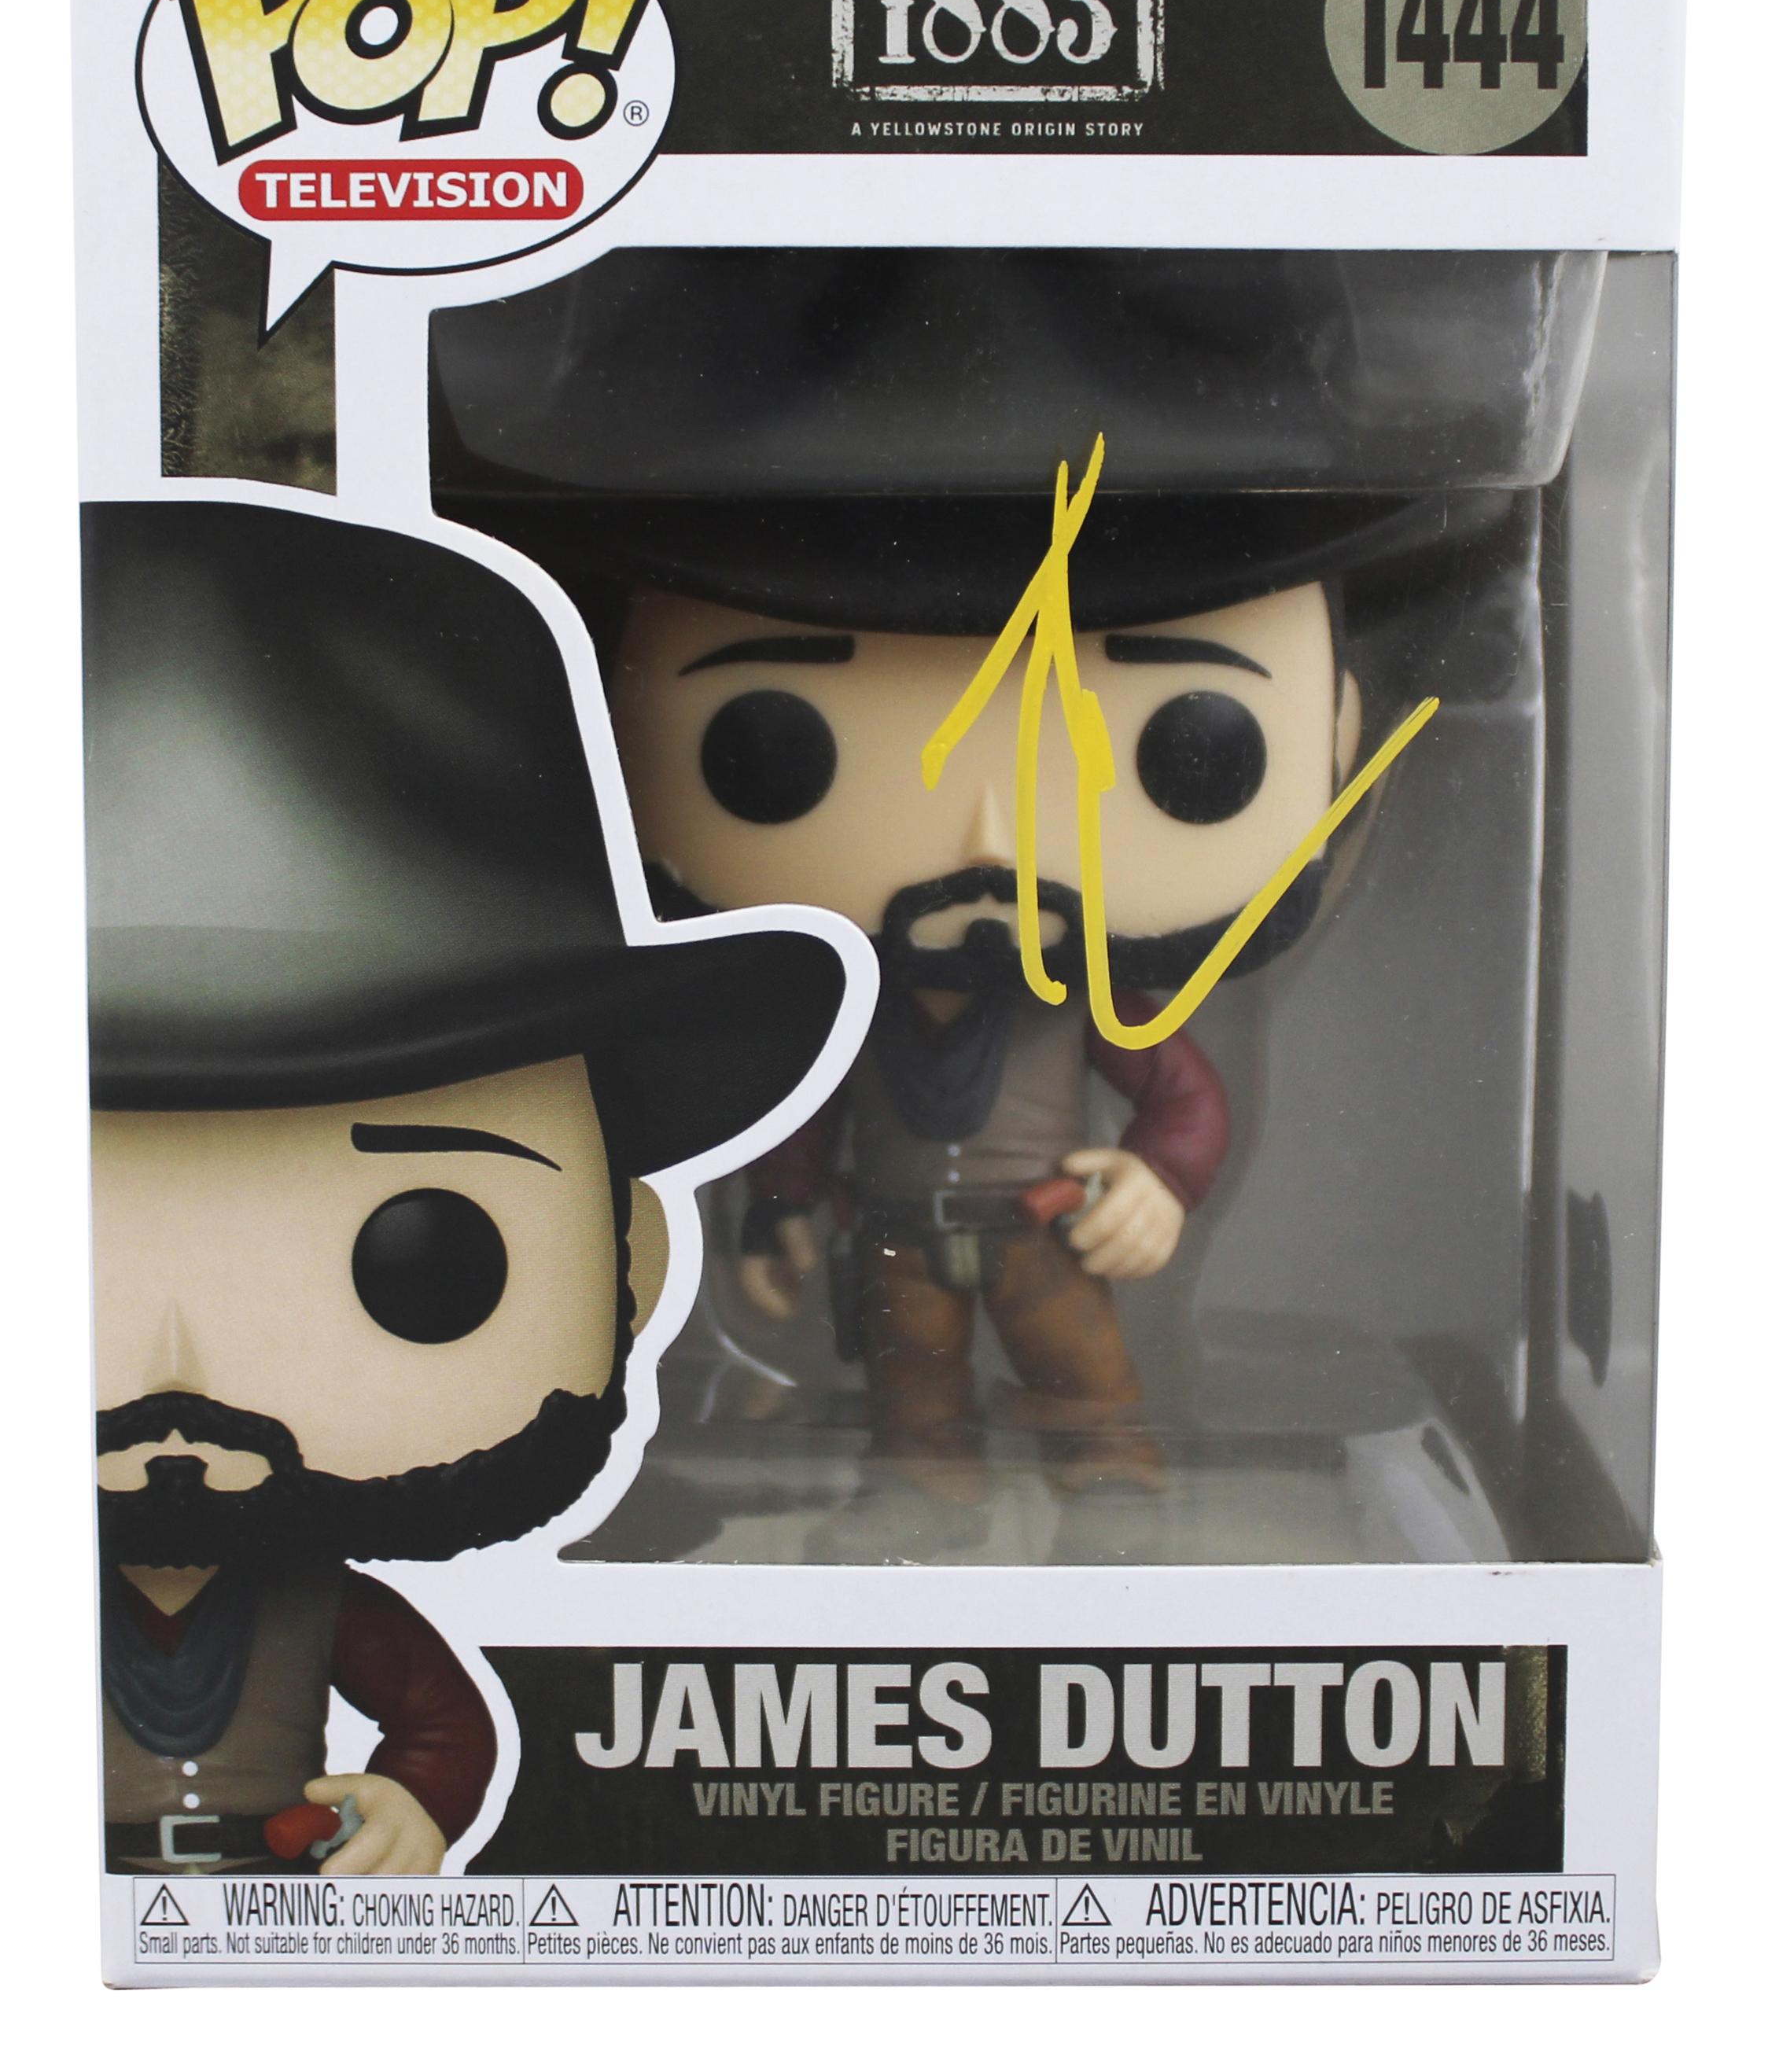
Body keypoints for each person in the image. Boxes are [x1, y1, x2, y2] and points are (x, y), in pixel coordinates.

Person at [432, 247, 1512, 1538]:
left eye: (1192, 745)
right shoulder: (852, 1008)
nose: (987, 836)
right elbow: (799, 1113)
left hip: (1041, 1230)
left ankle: (1113, 1501)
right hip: (897, 1231)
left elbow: (1181, 1093)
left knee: (1082, 1374)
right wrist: (780, 1212)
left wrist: (1160, 1182)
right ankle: (925, 1506)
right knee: (914, 1392)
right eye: (770, 748)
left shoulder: (1086, 995)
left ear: (1340, 731)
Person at [87, 497, 854, 1869]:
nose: (177, 1389)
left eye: (430, 1263)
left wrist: (416, 1801)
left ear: (630, 1262)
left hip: (281, 1881)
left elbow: (442, 1722)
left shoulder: (316, 1600)